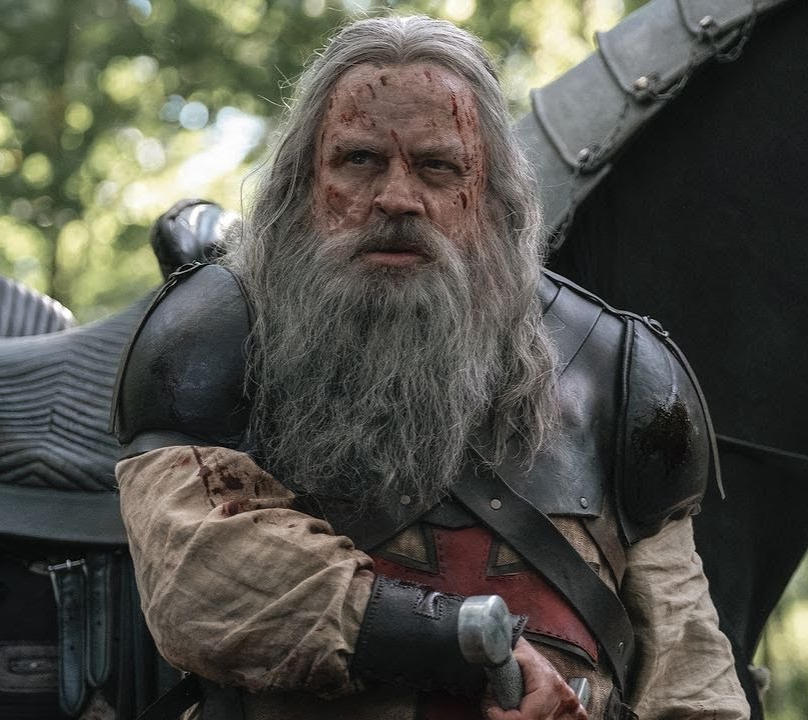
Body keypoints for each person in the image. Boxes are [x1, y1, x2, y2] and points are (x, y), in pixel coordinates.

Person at [113, 14, 749, 720]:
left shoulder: (618, 374)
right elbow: (200, 581)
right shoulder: (216, 331)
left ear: (493, 191)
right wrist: (463, 643)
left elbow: (694, 689)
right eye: (359, 160)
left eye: (437, 166)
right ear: (304, 181)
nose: (396, 197)